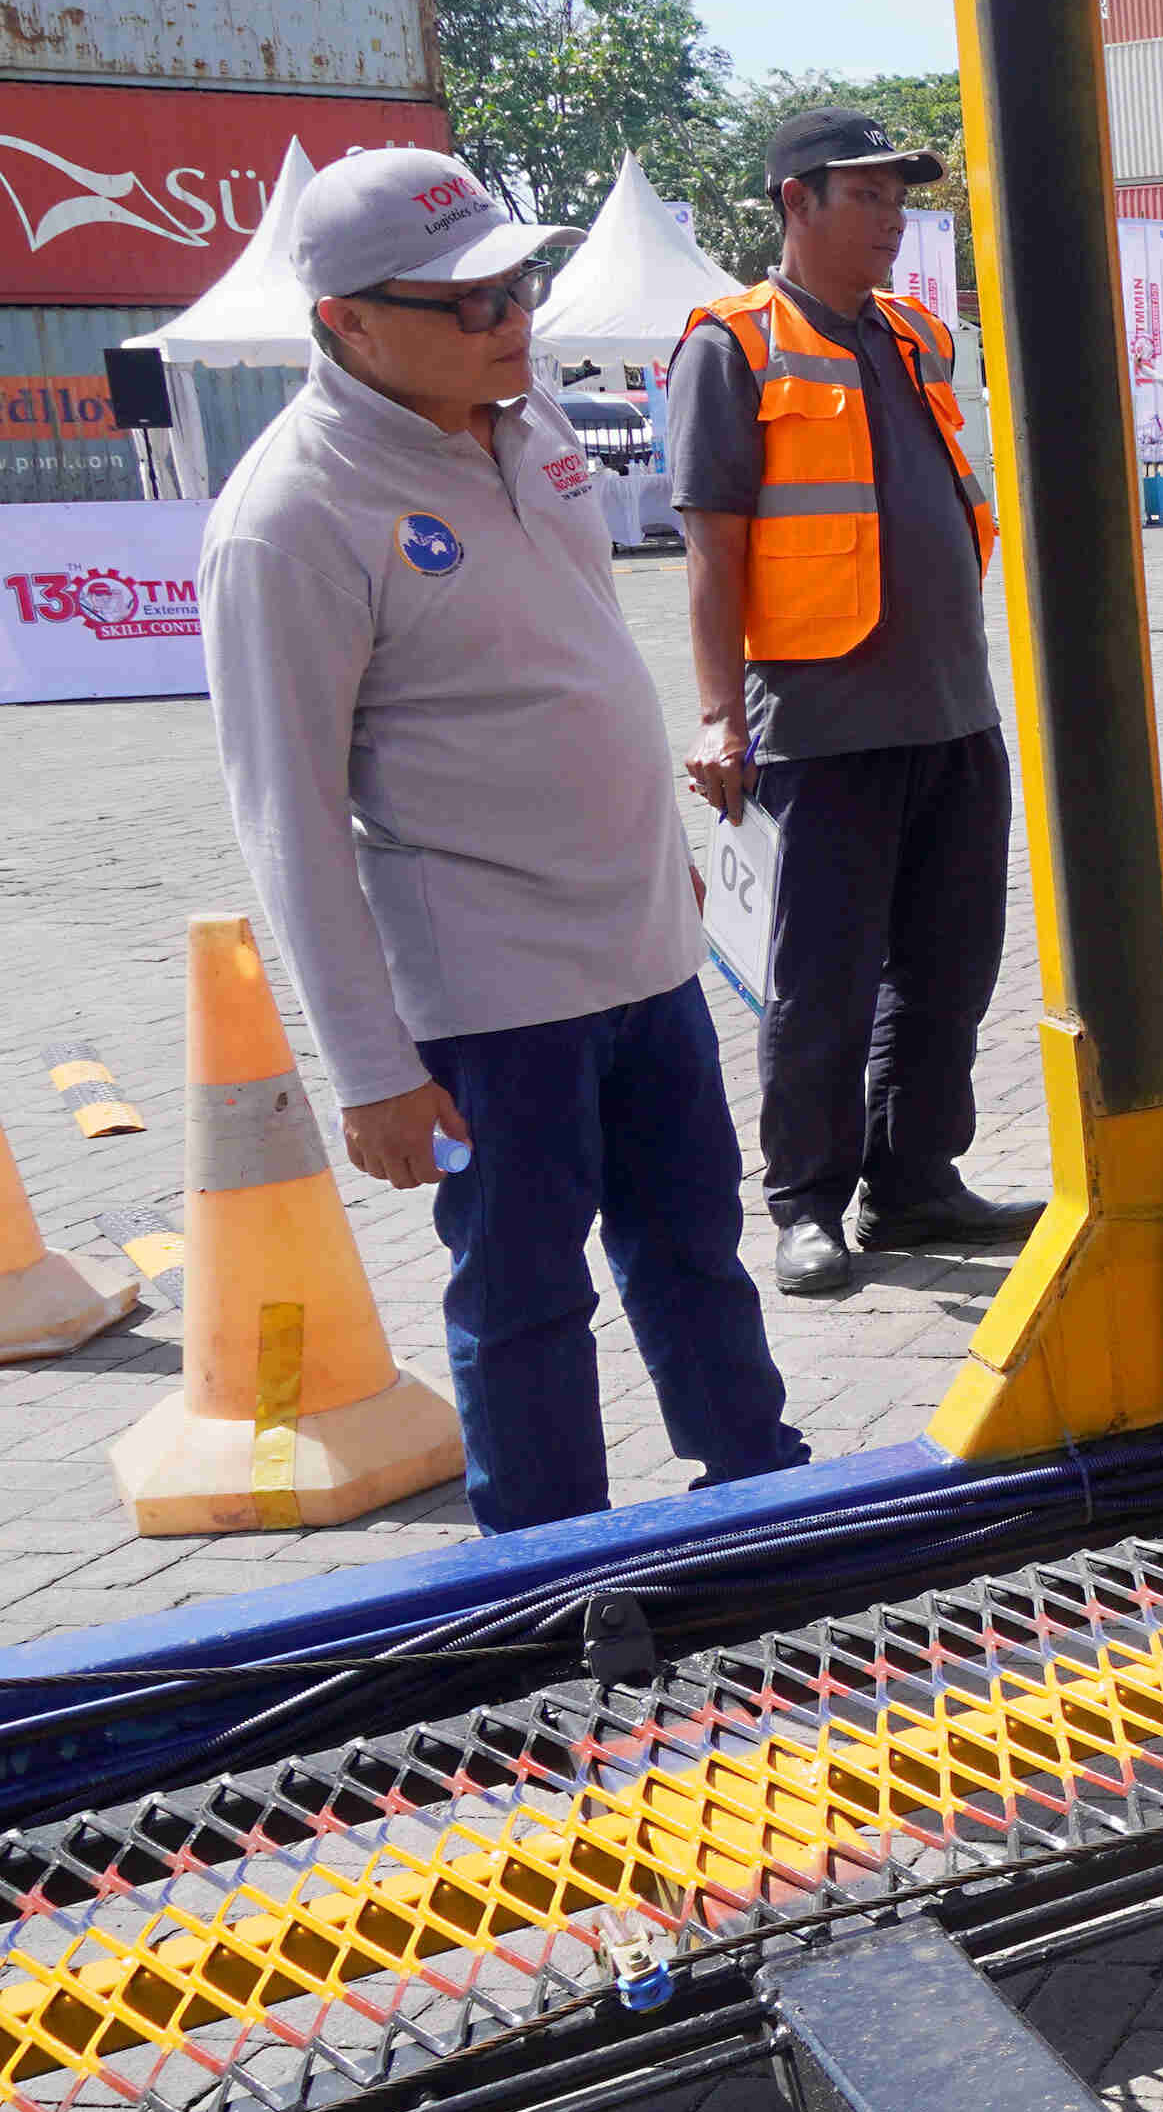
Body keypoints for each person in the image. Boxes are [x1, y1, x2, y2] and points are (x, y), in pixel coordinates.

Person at [201, 147, 806, 1533]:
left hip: (646, 957)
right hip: (491, 1002)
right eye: (469, 302)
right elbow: (285, 816)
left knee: (695, 1253)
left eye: (518, 284)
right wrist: (369, 1069)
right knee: (528, 1299)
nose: (513, 321)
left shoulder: (529, 427)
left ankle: (764, 1508)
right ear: (341, 324)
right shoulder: (292, 520)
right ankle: (549, 1576)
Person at [667, 107, 1041, 1299]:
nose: (892, 219)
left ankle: (916, 1177)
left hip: (952, 710)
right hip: (824, 728)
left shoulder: (916, 335)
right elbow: (713, 552)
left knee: (948, 969)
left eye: (899, 198)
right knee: (821, 977)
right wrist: (721, 714)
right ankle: (808, 1202)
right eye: (867, 196)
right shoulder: (733, 345)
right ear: (797, 202)